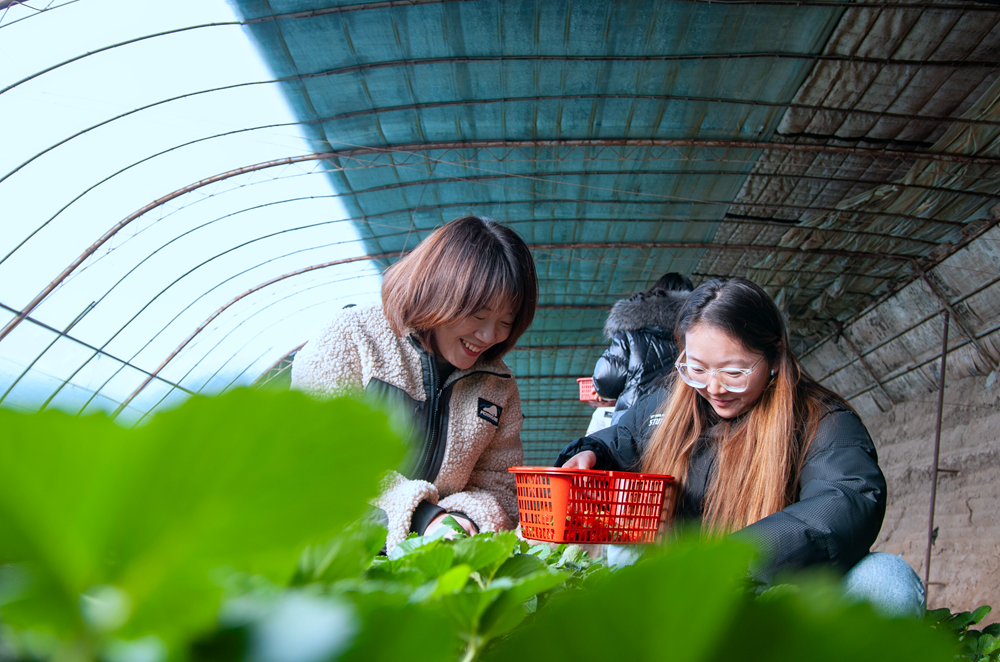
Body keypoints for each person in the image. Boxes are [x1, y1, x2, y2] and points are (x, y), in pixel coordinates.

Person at [557, 277, 925, 617]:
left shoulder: (822, 420)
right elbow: (625, 437)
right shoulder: (672, 404)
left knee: (888, 578)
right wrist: (592, 451)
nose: (713, 388)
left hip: (779, 595)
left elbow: (846, 498)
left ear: (774, 357)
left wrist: (733, 560)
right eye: (697, 368)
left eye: (734, 372)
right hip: (689, 597)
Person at [292, 216, 537, 552]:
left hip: (431, 560)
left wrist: (465, 521)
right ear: (438, 291)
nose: (489, 336)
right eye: (479, 316)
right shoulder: (354, 337)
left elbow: (499, 486)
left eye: (506, 322)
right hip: (329, 553)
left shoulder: (497, 386)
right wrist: (423, 519)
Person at [592, 272, 693, 422]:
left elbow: (606, 380)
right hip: (683, 420)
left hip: (634, 422)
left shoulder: (630, 329)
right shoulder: (697, 328)